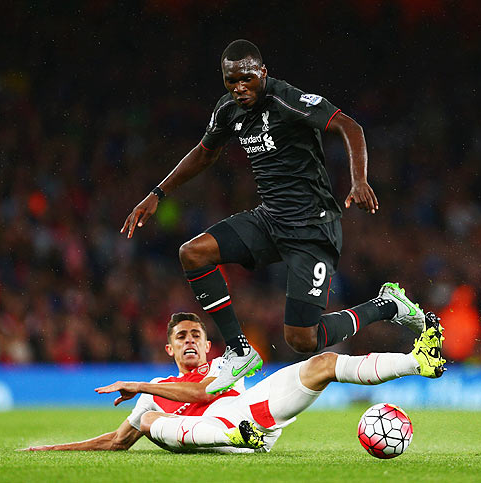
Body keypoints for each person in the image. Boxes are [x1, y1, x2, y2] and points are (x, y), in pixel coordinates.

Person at [121, 39, 424, 394]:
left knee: (302, 339)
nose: (239, 88)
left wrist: (359, 180)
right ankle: (238, 350)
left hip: (313, 228)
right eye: (231, 81)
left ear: (263, 73)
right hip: (270, 220)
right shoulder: (228, 110)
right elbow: (204, 153)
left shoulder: (287, 100)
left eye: (247, 79)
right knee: (193, 252)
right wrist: (157, 193)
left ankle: (387, 305)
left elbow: (350, 127)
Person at [21, 310, 445, 453]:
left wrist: (142, 389)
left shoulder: (228, 364)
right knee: (147, 423)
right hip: (223, 434)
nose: (190, 341)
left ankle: (417, 360)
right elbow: (117, 441)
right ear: (170, 349)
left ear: (209, 346)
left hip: (249, 419)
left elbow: (203, 393)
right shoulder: (155, 387)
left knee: (324, 362)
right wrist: (51, 448)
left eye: (196, 336)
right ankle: (239, 439)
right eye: (181, 337)